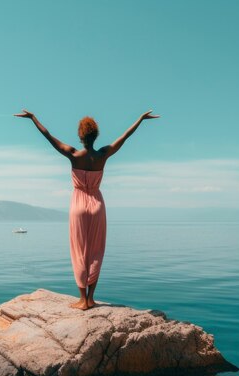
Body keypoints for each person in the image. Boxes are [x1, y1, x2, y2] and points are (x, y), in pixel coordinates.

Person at [14, 109, 160, 309]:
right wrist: (140, 119)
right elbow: (125, 136)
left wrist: (33, 119)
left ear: (80, 136)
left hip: (78, 205)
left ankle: (82, 300)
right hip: (97, 205)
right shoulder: (103, 154)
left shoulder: (73, 154)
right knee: (96, 251)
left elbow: (48, 136)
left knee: (79, 250)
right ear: (96, 135)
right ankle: (91, 299)